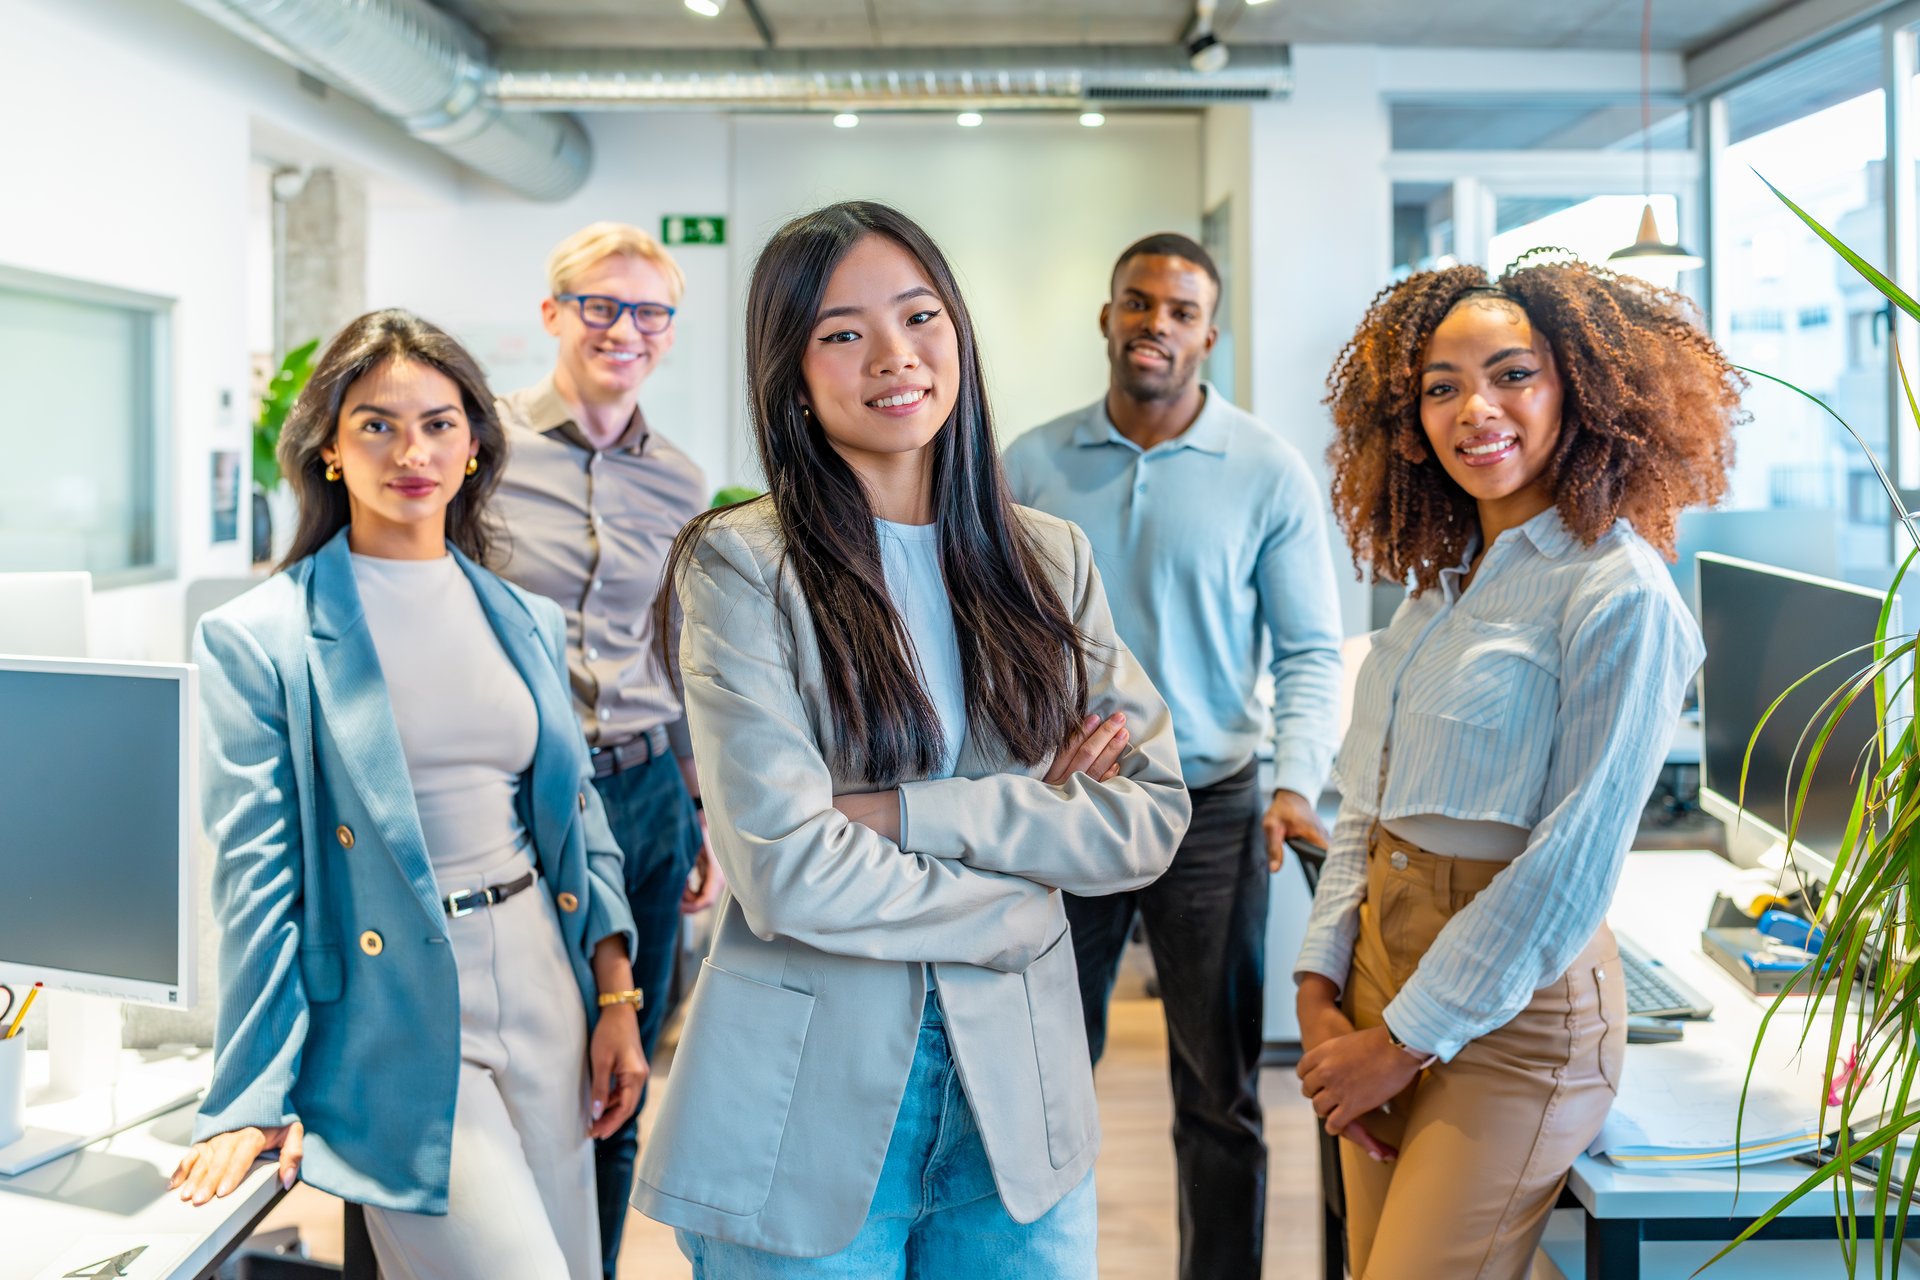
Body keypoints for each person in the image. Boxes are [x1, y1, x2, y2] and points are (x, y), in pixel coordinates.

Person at [630, 201, 1192, 1276]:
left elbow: (1147, 813)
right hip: (805, 1110)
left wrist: (902, 813)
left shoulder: (1048, 560)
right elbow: (788, 868)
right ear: (792, 372)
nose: (894, 355)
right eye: (842, 332)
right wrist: (1021, 893)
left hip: (1017, 1115)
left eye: (920, 315)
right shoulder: (742, 567)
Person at [172, 310, 646, 1280]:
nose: (411, 450)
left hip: (544, 981)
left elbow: (575, 819)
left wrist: (617, 995)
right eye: (376, 424)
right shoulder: (260, 635)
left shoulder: (522, 613)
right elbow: (257, 881)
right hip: (398, 1010)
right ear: (331, 450)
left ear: (475, 443)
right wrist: (250, 1093)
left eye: (437, 421)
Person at [1295, 255, 1740, 1279]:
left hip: (1512, 1019)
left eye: (1511, 374)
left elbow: (1567, 869)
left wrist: (1397, 1041)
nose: (1474, 409)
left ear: (1579, 391)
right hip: (1376, 977)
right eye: (1441, 387)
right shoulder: (1439, 585)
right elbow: (1363, 804)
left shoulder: (1616, 590)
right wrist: (1320, 985)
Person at [1001, 231, 1344, 1280]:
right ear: (1107, 317)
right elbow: (991, 637)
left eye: (1181, 309)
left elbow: (1309, 649)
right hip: (1075, 808)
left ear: (1209, 332)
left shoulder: (1266, 468)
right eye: (1138, 302)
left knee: (1221, 1089)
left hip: (1213, 807)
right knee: (1042, 1077)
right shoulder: (1028, 463)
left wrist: (1295, 782)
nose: (1157, 323)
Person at [490, 222, 718, 1279]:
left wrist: (701, 802)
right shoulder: (478, 450)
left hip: (645, 791)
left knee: (620, 1073)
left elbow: (675, 648)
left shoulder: (680, 480)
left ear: (669, 333)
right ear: (554, 314)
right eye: (601, 305)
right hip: (515, 802)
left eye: (649, 312)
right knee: (524, 1062)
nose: (625, 329)